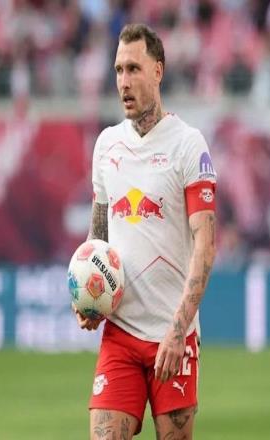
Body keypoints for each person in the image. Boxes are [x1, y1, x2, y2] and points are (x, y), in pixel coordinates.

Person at [73, 23, 217, 439]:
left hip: (173, 336)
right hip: (121, 333)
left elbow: (205, 246)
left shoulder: (188, 145)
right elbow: (98, 233)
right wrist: (87, 295)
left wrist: (178, 330)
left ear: (158, 70)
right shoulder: (107, 145)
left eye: (134, 69)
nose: (124, 81)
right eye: (118, 70)